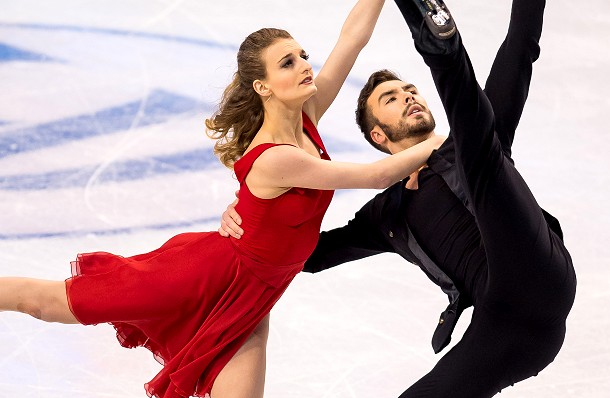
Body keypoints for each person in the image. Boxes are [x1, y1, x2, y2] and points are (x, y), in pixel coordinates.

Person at [0, 1, 449, 397]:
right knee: (46, 302)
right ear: (263, 86)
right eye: (288, 63)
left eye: (303, 55)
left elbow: (352, 39)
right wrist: (454, 139)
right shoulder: (274, 157)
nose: (305, 66)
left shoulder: (305, 115)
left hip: (255, 295)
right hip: (200, 277)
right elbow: (374, 176)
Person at [219, 0, 577, 396]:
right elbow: (310, 255)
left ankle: (441, 47)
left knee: (478, 138)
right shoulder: (386, 215)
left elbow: (519, 48)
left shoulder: (464, 148)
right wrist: (251, 214)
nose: (409, 97)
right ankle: (441, 50)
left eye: (411, 90)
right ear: (379, 136)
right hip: (506, 331)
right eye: (391, 99)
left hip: (538, 269)